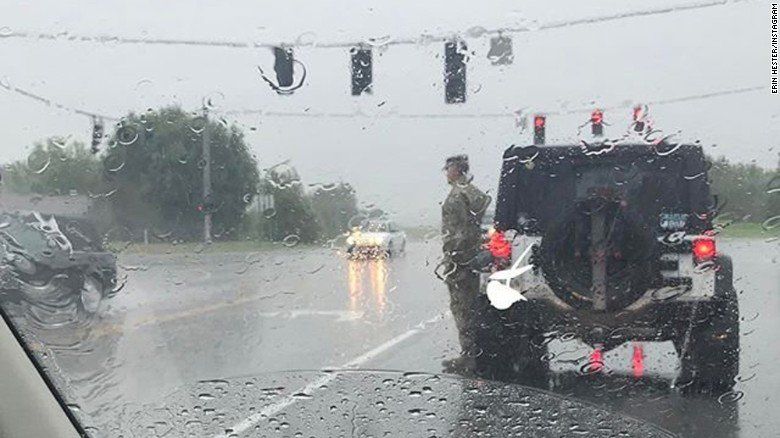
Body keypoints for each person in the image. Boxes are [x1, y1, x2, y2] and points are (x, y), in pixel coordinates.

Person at [440, 154, 491, 373]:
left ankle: (470, 357)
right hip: (467, 257)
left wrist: (457, 257)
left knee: (463, 307)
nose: (446, 173)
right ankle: (472, 354)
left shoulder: (458, 195)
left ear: (457, 169)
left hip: (460, 259)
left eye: (448, 169)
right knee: (468, 306)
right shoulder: (469, 191)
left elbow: (459, 231)